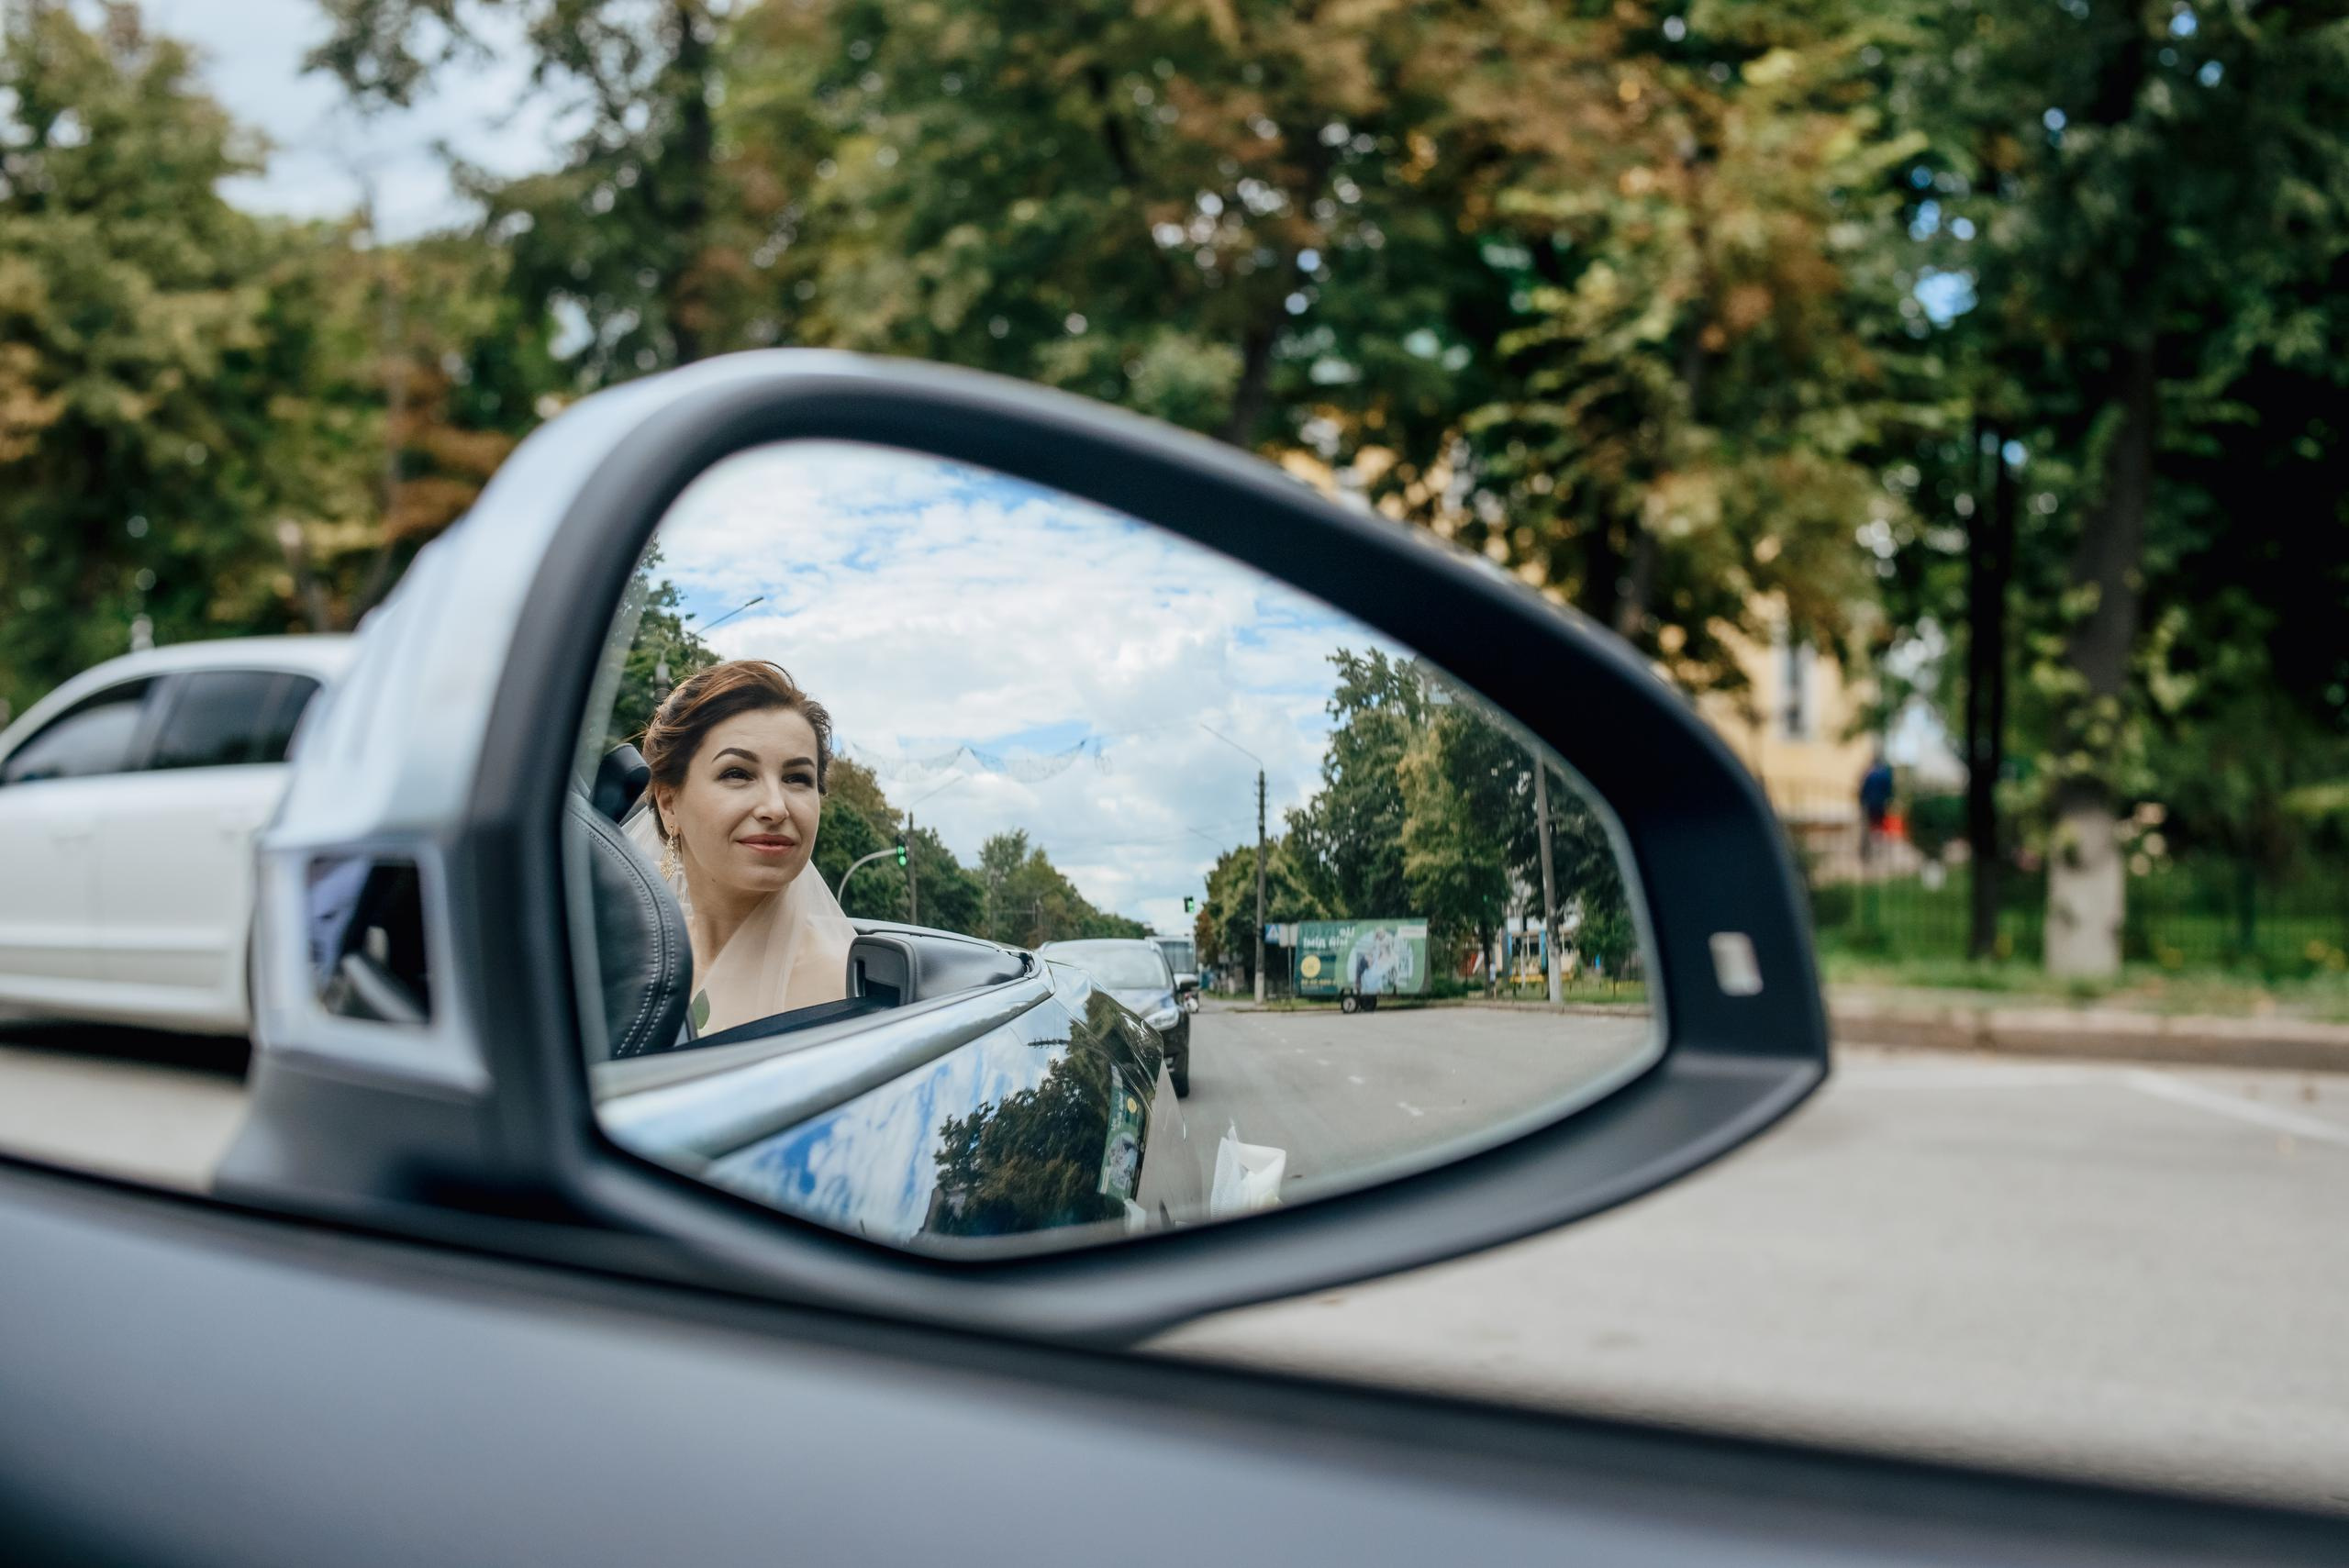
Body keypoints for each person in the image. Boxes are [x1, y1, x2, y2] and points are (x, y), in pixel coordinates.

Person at [623, 660, 855, 1036]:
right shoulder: (629, 964)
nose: (776, 808)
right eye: (737, 774)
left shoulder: (850, 985)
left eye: (797, 778)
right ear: (668, 804)